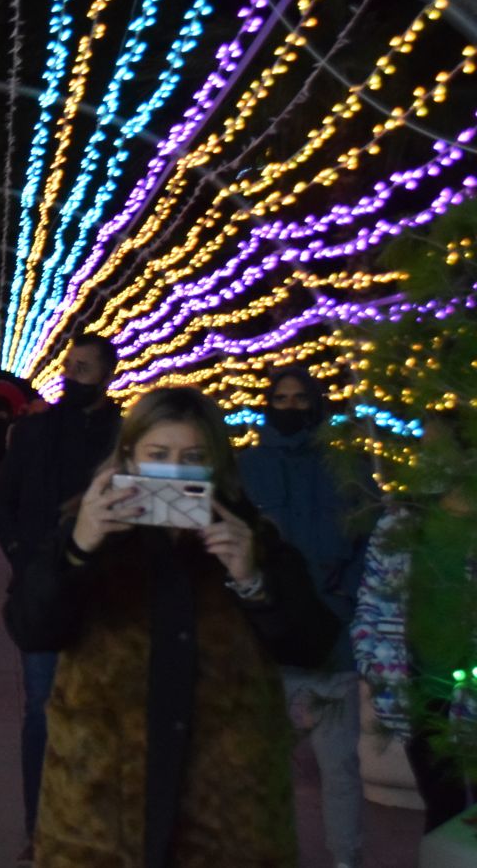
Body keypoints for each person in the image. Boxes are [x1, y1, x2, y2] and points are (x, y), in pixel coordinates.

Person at [5, 386, 338, 867]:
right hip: (103, 813)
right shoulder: (90, 533)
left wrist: (252, 580)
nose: (175, 471)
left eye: (193, 456)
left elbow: (314, 645)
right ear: (130, 458)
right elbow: (30, 629)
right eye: (158, 454)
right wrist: (79, 549)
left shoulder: (251, 539)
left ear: (216, 464)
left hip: (225, 819)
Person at [0, 332, 123, 858]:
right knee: (42, 709)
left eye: (85, 368)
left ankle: (90, 822)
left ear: (107, 375)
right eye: (70, 366)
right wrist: (21, 554)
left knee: (100, 711)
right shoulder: (36, 432)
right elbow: (3, 499)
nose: (73, 375)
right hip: (44, 587)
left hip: (106, 594)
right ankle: (38, 826)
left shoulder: (124, 436)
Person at [238, 368, 369, 868]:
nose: (290, 407)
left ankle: (345, 859)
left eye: (300, 399)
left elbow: (368, 542)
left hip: (333, 638)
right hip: (270, 639)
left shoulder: (348, 468)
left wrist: (347, 602)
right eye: (280, 398)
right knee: (264, 764)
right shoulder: (247, 467)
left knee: (339, 766)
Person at [353, 419, 477, 834]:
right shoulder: (402, 524)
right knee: (443, 816)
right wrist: (376, 663)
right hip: (419, 696)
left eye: (438, 443)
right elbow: (371, 603)